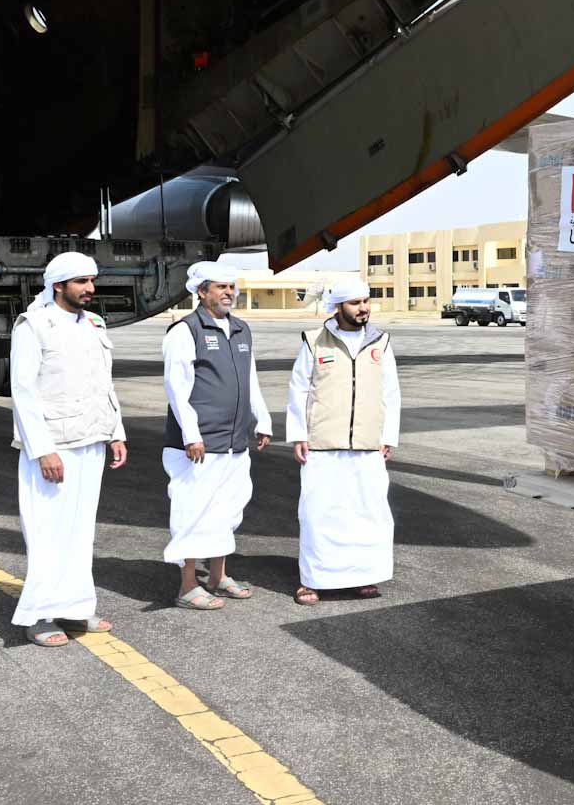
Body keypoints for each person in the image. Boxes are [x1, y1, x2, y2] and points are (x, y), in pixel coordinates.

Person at [8, 252, 127, 647]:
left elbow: (104, 383)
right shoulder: (33, 326)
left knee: (80, 532)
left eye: (92, 281)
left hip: (91, 440)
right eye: (81, 282)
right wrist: (42, 450)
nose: (90, 289)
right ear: (58, 285)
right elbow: (23, 391)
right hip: (54, 446)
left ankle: (76, 607)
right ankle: (40, 616)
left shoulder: (94, 324)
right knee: (47, 532)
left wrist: (116, 432)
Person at [162, 261, 271, 610]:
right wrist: (191, 434)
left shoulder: (241, 329)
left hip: (234, 442)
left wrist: (263, 418)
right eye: (221, 287)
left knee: (226, 510)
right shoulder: (185, 330)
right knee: (193, 511)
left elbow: (250, 378)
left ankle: (217, 577)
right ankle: (187, 586)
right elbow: (177, 387)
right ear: (201, 291)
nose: (229, 293)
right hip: (199, 444)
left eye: (231, 287)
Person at [286, 273, 400, 604]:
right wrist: (298, 434)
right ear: (338, 307)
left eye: (365, 301)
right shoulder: (314, 341)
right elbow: (299, 389)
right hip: (322, 445)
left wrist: (387, 436)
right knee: (319, 514)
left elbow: (390, 392)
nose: (363, 308)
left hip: (367, 445)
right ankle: (313, 580)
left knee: (368, 513)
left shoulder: (381, 342)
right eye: (354, 303)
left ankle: (364, 577)